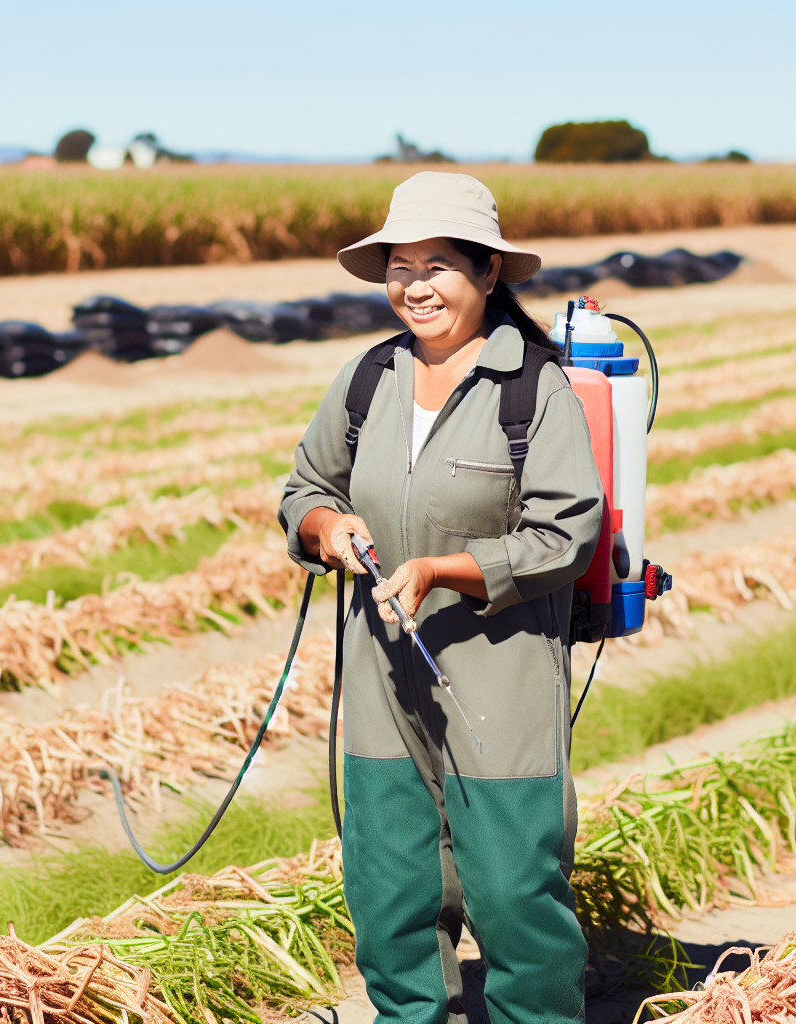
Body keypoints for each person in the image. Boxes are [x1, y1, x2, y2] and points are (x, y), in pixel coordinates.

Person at [277, 172, 603, 1024]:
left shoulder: (533, 388)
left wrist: (437, 570)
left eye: (438, 265)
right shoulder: (365, 381)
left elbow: (565, 534)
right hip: (382, 677)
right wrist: (322, 525)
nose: (415, 285)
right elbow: (305, 486)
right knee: (390, 892)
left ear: (488, 273)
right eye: (399, 266)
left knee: (512, 894)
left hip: (500, 677)